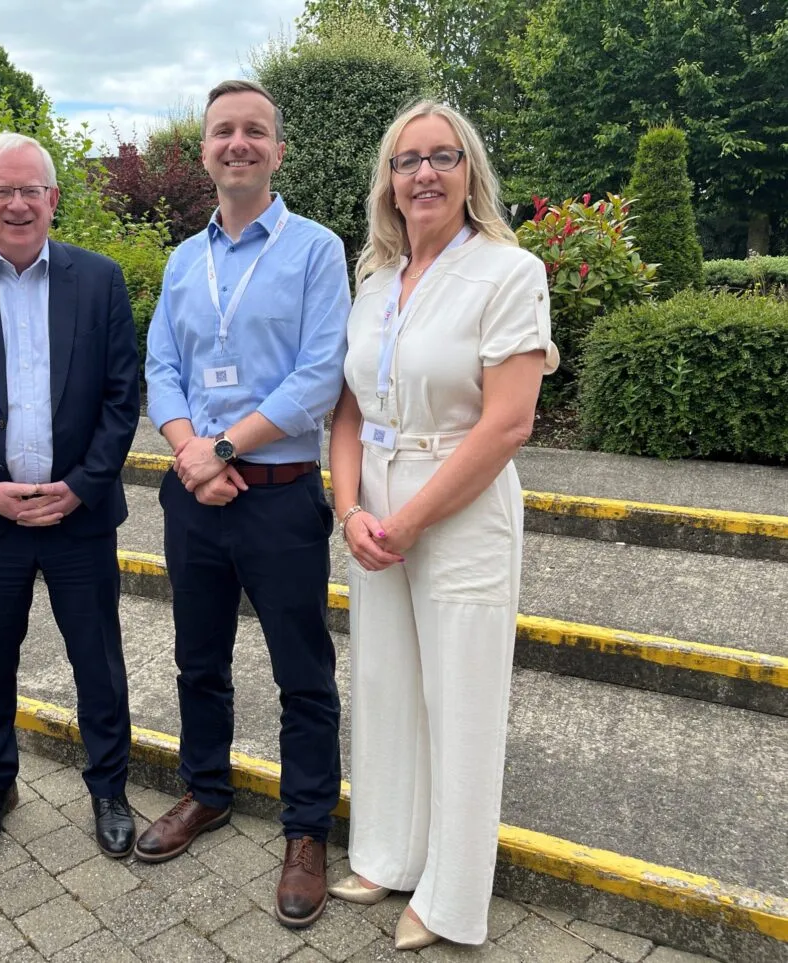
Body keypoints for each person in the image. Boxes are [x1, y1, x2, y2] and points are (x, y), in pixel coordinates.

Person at [327, 101, 560, 951]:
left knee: (460, 699)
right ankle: (388, 851)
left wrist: (410, 520)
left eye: (443, 157)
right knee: (386, 684)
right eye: (407, 159)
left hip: (460, 503)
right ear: (388, 182)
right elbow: (348, 410)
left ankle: (451, 896)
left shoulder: (508, 272)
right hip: (375, 505)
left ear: (470, 173)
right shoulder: (374, 280)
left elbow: (509, 422)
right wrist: (351, 509)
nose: (424, 173)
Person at [139, 79, 350, 929]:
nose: (238, 143)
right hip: (194, 497)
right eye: (223, 130)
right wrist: (191, 453)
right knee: (198, 659)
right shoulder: (182, 261)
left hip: (279, 498)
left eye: (254, 131)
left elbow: (319, 376)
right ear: (204, 151)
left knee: (303, 674)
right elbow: (162, 368)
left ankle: (307, 829)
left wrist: (222, 448)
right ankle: (208, 790)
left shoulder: (316, 250)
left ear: (278, 151)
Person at [0, 132, 140, 860]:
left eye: (30, 190)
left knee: (97, 661)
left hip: (79, 516)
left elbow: (121, 398)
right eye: (2, 190)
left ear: (53, 199)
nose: (17, 204)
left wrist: (80, 487)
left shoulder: (98, 280)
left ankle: (109, 789)